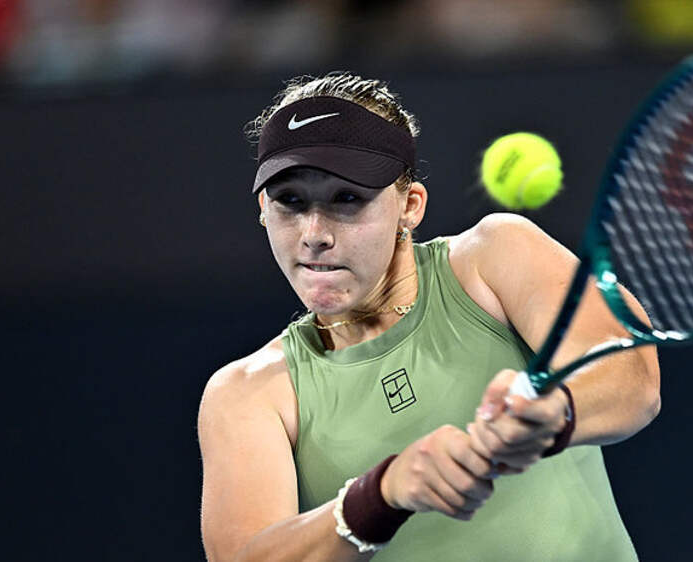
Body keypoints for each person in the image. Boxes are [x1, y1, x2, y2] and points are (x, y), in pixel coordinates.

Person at [197, 72, 661, 562]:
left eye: (347, 199)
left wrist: (553, 413)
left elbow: (633, 376)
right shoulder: (247, 393)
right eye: (290, 202)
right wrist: (377, 498)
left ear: (410, 206)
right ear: (263, 208)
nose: (314, 234)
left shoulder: (495, 256)